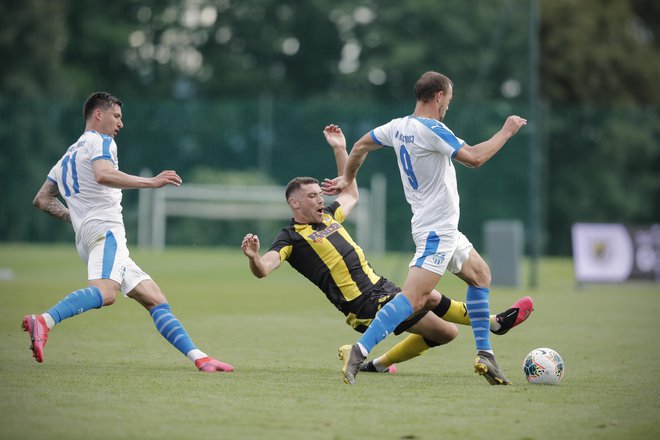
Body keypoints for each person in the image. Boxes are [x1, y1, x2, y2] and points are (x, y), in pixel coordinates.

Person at [242, 124, 532, 379]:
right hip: (361, 305)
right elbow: (264, 269)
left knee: (447, 333)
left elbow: (351, 193)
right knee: (426, 295)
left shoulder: (329, 217)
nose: (320, 198)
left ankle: (376, 365)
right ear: (295, 204)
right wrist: (255, 257)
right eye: (312, 196)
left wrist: (340, 149)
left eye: (320, 193)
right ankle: (493, 322)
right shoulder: (290, 238)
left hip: (382, 288)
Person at [322, 71, 531, 385]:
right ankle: (360, 349)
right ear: (439, 96)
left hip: (440, 227)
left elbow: (360, 147)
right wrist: (506, 131)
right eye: (449, 98)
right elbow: (474, 158)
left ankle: (485, 354)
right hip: (437, 231)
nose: (448, 104)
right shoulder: (434, 128)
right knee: (414, 298)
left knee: (480, 274)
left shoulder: (397, 127)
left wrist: (348, 179)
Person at [23, 92, 233, 373]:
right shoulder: (101, 141)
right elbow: (103, 174)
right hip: (106, 232)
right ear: (99, 114)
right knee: (106, 293)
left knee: (154, 297)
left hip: (88, 236)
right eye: (117, 116)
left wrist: (78, 219)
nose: (121, 123)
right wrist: (152, 181)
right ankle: (45, 320)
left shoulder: (67, 156)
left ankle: (200, 358)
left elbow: (42, 199)